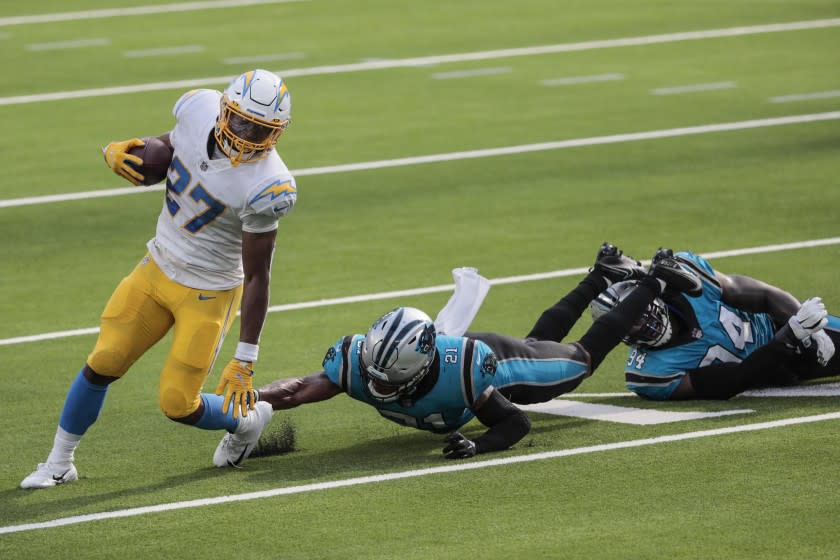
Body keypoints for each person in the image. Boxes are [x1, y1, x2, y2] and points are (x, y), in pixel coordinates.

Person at [21, 69, 295, 489]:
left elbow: (259, 275)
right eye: (242, 122)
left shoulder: (268, 185)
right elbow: (170, 148)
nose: (247, 136)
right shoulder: (197, 108)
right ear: (224, 110)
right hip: (157, 264)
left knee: (177, 403)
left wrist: (245, 358)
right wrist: (125, 152)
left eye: (261, 129)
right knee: (103, 360)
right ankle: (59, 462)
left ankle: (249, 418)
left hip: (209, 290)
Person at [251, 244, 702, 460]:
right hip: (468, 360)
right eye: (374, 372)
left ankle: (656, 280)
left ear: (417, 370)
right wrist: (253, 397)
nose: (376, 385)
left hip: (497, 363)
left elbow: (515, 421)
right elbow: (297, 389)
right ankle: (603, 273)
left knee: (577, 362)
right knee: (538, 343)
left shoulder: (461, 375)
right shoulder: (357, 362)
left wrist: (479, 445)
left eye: (389, 379)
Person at [589, 249, 838, 400]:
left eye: (639, 311)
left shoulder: (685, 277)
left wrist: (804, 324)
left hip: (775, 326)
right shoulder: (649, 374)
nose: (642, 323)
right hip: (776, 363)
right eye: (628, 323)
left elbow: (764, 295)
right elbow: (736, 379)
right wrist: (789, 337)